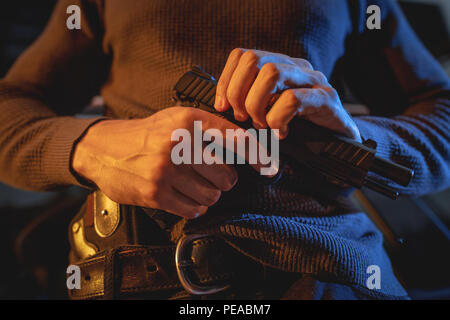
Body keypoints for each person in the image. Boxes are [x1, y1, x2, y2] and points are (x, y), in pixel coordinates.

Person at [0, 0, 449, 299]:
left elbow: (442, 115)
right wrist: (92, 145)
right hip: (139, 272)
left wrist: (350, 142)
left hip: (331, 272)